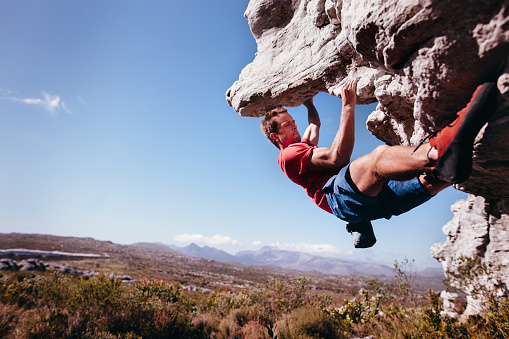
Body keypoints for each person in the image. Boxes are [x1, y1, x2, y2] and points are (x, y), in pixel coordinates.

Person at [260, 79, 499, 248]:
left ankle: (469, 157)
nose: (295, 125)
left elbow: (314, 126)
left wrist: (309, 103)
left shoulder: (301, 147)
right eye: (288, 125)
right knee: (379, 158)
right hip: (340, 197)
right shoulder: (289, 156)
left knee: (435, 179)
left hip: (369, 204)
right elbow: (337, 158)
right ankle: (441, 149)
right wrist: (347, 105)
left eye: (293, 121)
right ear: (275, 137)